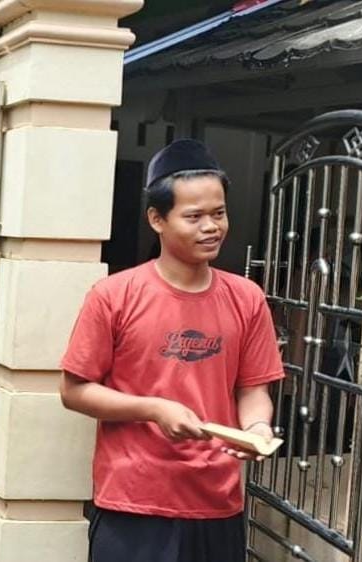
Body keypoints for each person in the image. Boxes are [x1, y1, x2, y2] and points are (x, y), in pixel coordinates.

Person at [59, 139, 285, 562]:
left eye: (219, 213)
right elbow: (74, 391)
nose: (211, 227)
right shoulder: (114, 295)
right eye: (194, 216)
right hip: (133, 502)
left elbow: (254, 389)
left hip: (217, 502)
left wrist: (257, 428)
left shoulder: (247, 299)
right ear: (157, 219)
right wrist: (154, 409)